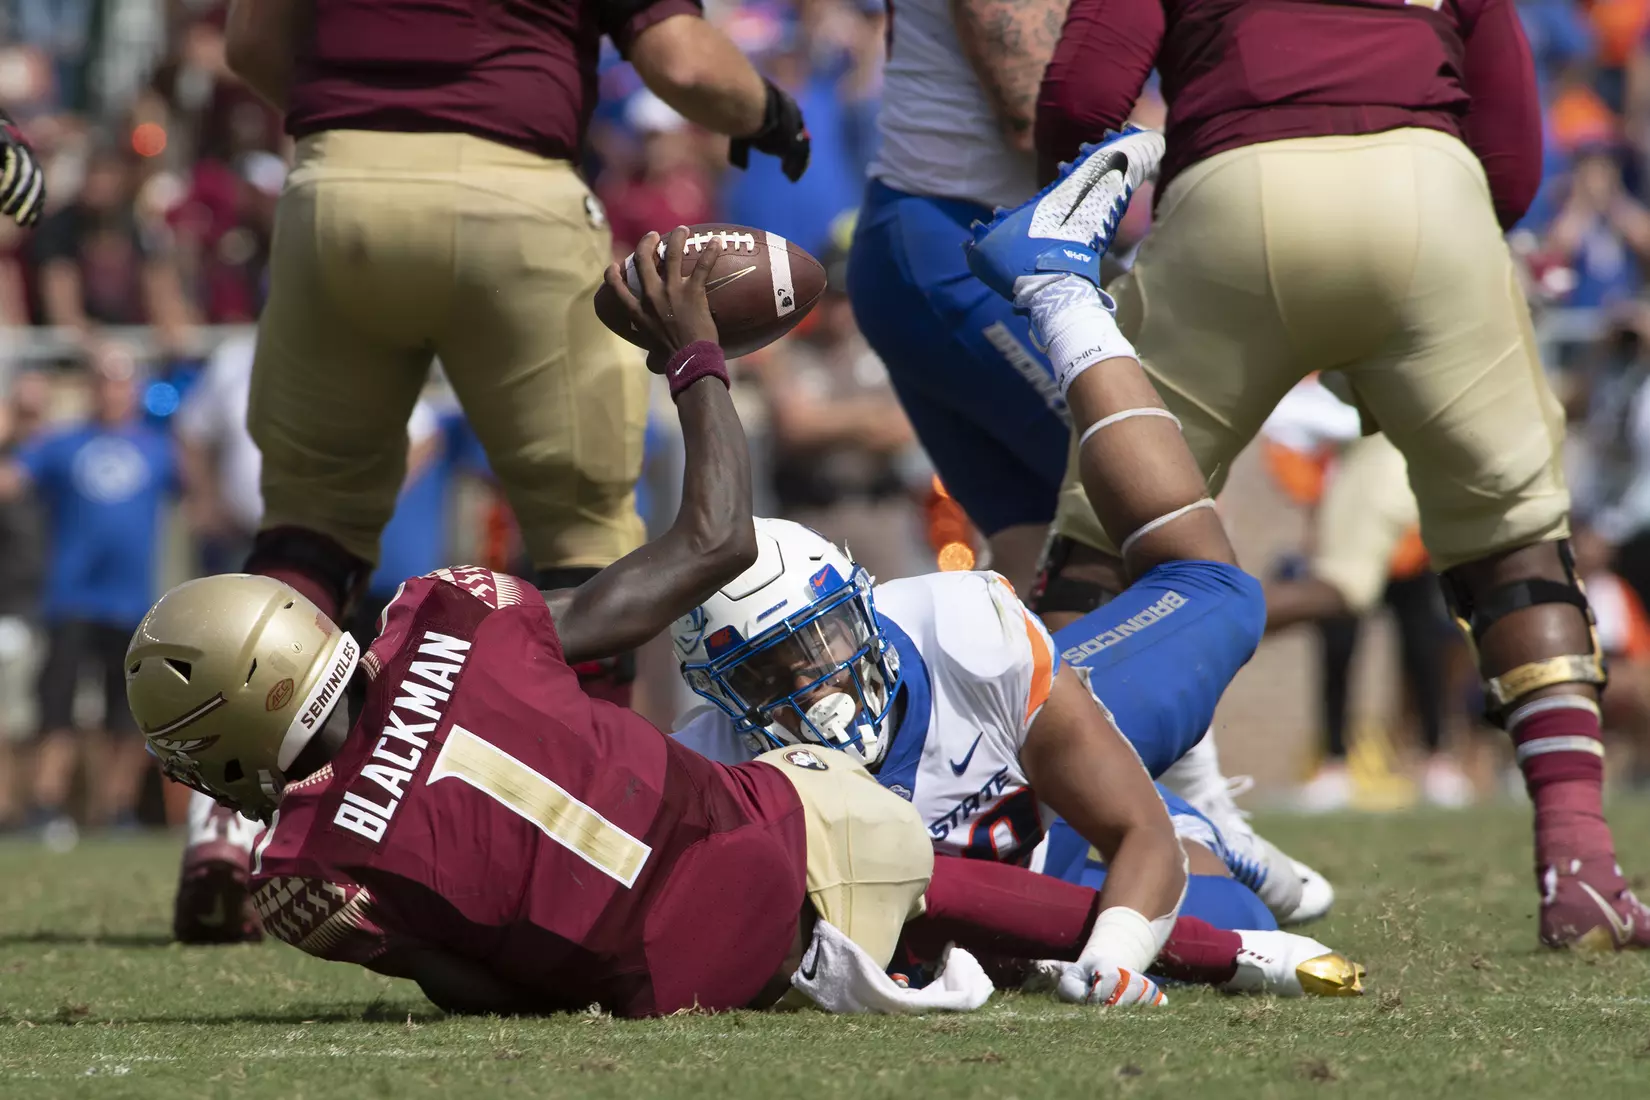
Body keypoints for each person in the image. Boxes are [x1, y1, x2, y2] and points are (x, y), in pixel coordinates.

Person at [129, 232, 1218, 1014]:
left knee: (978, 870)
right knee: (952, 869)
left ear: (229, 748)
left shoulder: (303, 870)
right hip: (814, 835)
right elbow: (715, 540)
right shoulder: (455, 611)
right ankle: (1223, 937)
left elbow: (481, 986)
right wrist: (696, 350)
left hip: (674, 983)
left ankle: (1201, 907)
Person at [167, 0, 811, 943]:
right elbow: (685, 61)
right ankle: (576, 824)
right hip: (519, 197)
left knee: (307, 525)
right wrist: (769, 113)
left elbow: (254, 45)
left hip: (338, 192)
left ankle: (226, 820)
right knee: (584, 532)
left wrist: (363, 134)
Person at [1022, 0, 1646, 948]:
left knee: (1101, 538)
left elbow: (1083, 94)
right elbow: (1515, 152)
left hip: (1236, 196)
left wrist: (1086, 203)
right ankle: (1580, 865)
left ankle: (1034, 845)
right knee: (1518, 538)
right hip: (1427, 192)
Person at [671, 518, 1364, 997]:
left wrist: (1112, 960)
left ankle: (1210, 825)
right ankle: (1199, 830)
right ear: (720, 693)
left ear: (859, 608)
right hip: (1020, 884)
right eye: (763, 675)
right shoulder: (715, 768)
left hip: (1046, 805)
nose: (809, 686)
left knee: (1227, 598)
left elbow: (1136, 835)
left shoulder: (965, 633)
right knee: (1227, 913)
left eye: (817, 644)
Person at [846, 0, 1070, 595]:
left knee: (1042, 555)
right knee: (1156, 508)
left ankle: (1033, 691)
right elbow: (1037, 111)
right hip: (957, 256)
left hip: (953, 249)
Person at [0, 345, 178, 842]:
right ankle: (46, 804)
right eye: (103, 381)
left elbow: (203, 493)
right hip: (71, 599)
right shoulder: (62, 443)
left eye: (121, 381)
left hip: (133, 604)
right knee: (55, 709)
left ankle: (118, 808)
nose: (112, 391)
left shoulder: (158, 447)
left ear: (135, 389)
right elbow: (13, 477)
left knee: (127, 716)